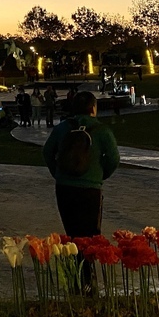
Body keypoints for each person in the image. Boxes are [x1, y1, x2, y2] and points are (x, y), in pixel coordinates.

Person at [42, 90, 119, 293]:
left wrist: (58, 173)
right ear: (94, 108)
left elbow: (47, 151)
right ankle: (88, 281)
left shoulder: (62, 128)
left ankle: (76, 278)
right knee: (90, 236)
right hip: (90, 190)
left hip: (64, 188)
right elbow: (114, 159)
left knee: (72, 235)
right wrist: (100, 175)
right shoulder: (101, 131)